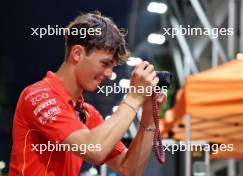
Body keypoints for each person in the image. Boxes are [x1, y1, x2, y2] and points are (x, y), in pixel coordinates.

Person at [9, 12, 166, 176]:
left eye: (112, 66)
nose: (108, 74)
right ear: (77, 53)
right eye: (105, 63)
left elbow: (130, 169)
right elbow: (94, 149)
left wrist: (149, 115)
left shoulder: (87, 113)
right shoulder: (37, 95)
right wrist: (134, 97)